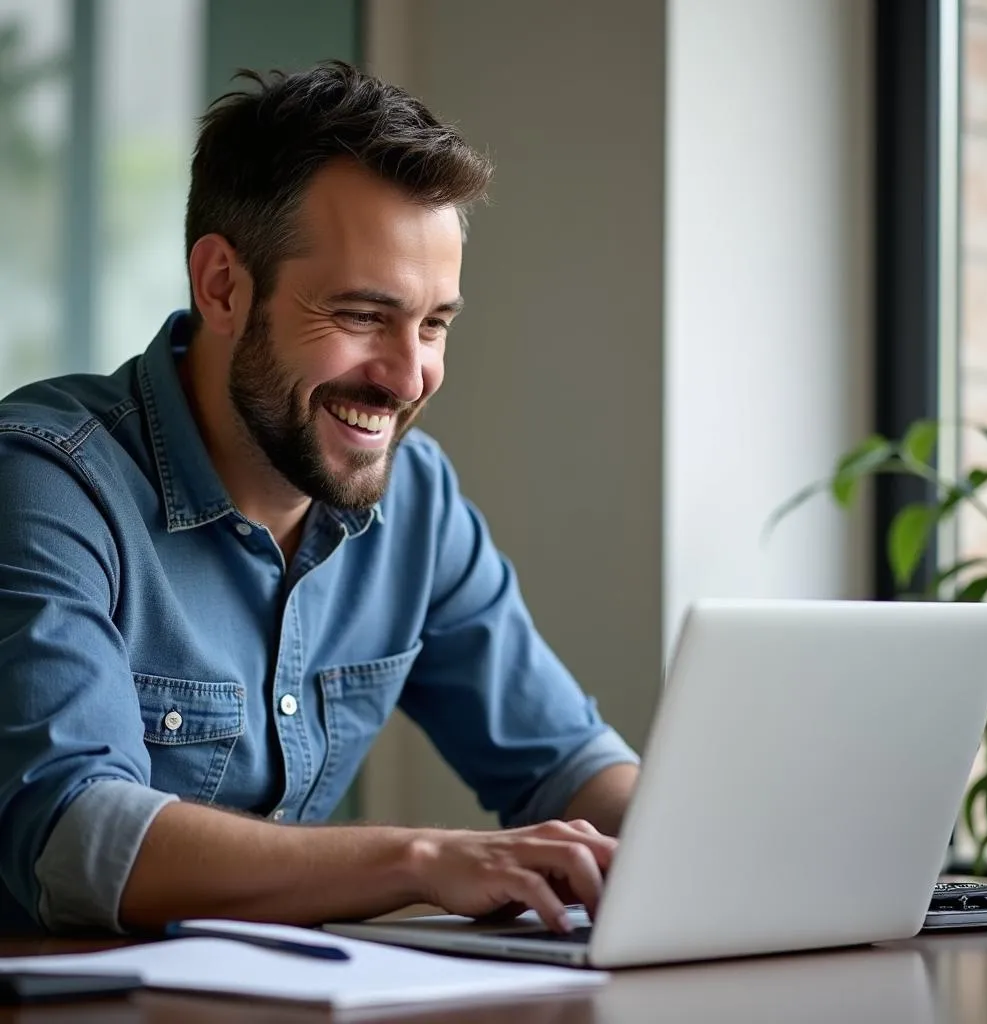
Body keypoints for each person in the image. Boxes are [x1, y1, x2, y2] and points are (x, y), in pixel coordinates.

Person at [0, 61, 640, 936]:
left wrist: (719, 845)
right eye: (362, 316)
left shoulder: (416, 499)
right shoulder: (46, 482)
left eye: (435, 324)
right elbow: (72, 837)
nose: (409, 376)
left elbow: (567, 762)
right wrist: (424, 861)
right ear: (223, 285)